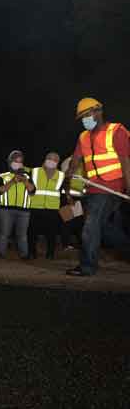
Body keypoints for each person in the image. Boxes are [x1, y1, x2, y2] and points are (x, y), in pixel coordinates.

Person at [63, 97, 130, 276]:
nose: (84, 120)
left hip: (111, 188)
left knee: (90, 226)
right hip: (92, 189)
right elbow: (76, 159)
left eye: (87, 115)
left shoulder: (116, 131)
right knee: (105, 229)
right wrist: (70, 171)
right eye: (82, 117)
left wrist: (129, 186)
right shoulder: (83, 137)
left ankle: (87, 266)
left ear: (98, 111)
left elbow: (126, 161)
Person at [0, 150, 36, 259]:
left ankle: (24, 255)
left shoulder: (27, 175)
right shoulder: (3, 175)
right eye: (15, 161)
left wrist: (25, 181)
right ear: (10, 162)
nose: (18, 164)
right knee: (4, 233)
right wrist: (13, 181)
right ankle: (1, 253)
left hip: (24, 210)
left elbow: (33, 191)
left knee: (22, 235)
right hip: (6, 209)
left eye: (20, 162)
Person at [28, 152, 65, 260]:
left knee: (51, 233)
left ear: (57, 163)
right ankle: (31, 252)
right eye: (49, 158)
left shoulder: (61, 175)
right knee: (32, 232)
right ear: (44, 159)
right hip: (35, 206)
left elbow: (62, 193)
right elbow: (29, 188)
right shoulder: (35, 171)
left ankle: (50, 254)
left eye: (54, 160)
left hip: (52, 208)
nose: (51, 161)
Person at [60, 155, 85, 250]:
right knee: (67, 220)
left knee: (78, 221)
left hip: (79, 196)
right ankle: (66, 244)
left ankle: (79, 243)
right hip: (67, 197)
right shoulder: (68, 161)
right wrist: (68, 196)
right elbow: (65, 179)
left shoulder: (82, 161)